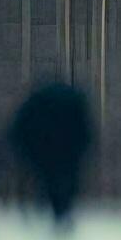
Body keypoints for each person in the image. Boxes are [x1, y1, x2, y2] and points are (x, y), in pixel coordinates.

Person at [9, 81, 92, 227]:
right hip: (66, 152)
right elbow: (85, 130)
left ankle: (55, 209)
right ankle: (61, 210)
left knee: (49, 181)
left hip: (45, 152)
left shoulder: (37, 103)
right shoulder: (72, 104)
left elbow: (19, 128)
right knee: (63, 182)